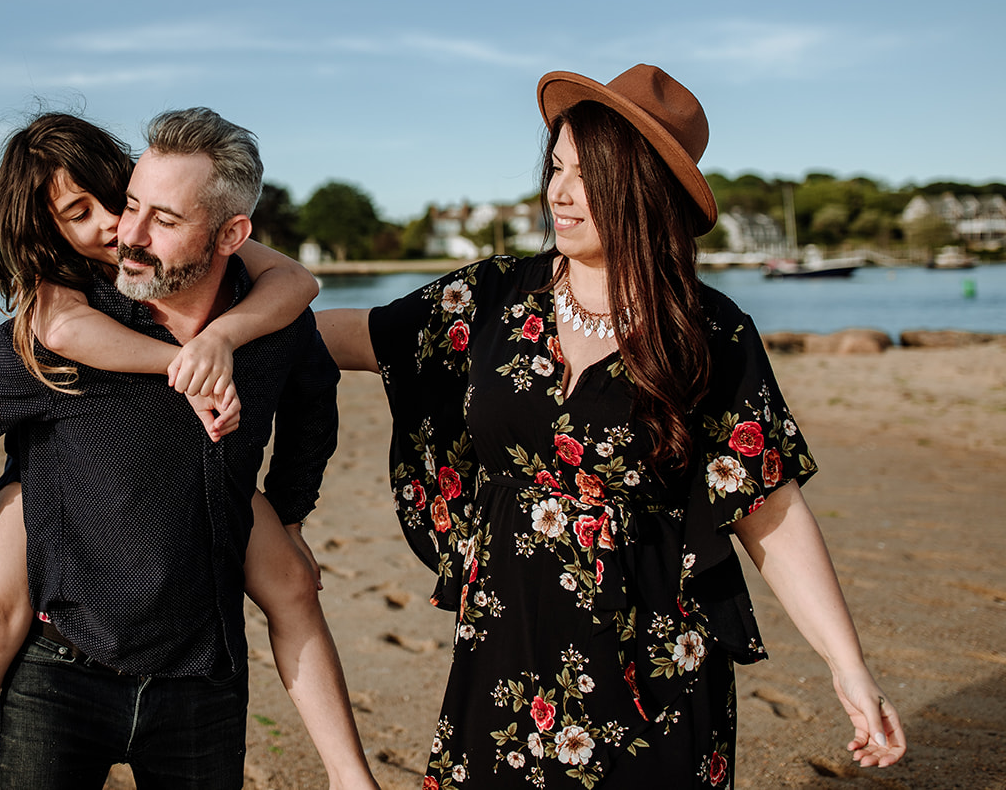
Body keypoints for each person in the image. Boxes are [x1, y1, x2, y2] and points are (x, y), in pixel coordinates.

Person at [316, 65, 906, 788]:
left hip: (653, 663)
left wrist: (848, 665)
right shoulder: (491, 296)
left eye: (584, 174)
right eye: (555, 167)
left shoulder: (708, 330)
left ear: (642, 187)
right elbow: (348, 337)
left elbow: (767, 506)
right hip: (508, 653)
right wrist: (216, 329)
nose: (557, 192)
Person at [0, 108, 363, 789]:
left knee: (294, 586)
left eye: (163, 217)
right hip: (60, 669)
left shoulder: (268, 325)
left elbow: (312, 392)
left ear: (230, 234)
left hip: (201, 675)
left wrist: (292, 509)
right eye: (129, 207)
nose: (126, 231)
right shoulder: (62, 323)